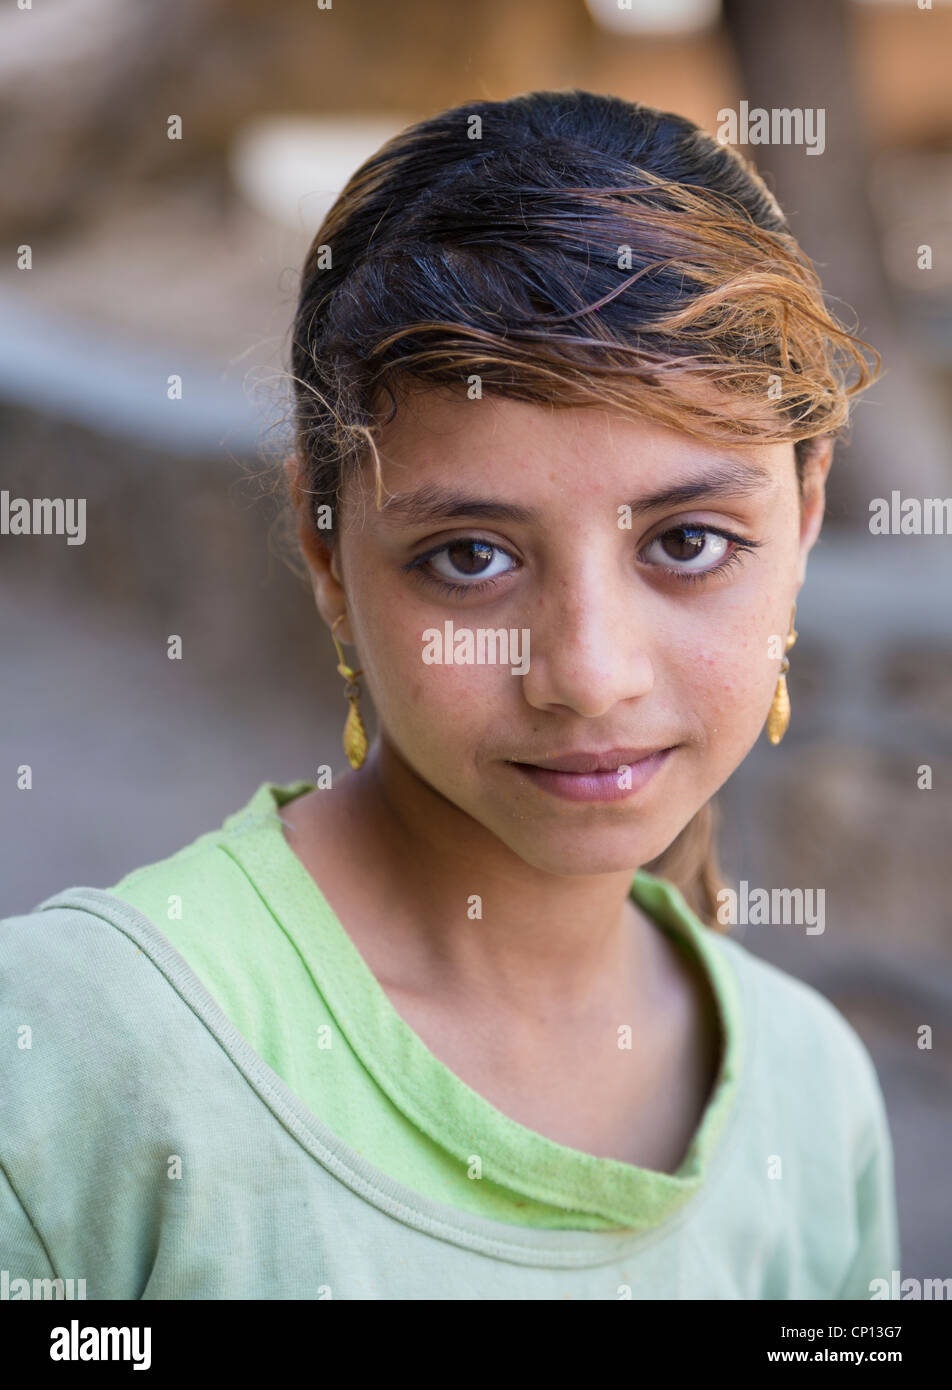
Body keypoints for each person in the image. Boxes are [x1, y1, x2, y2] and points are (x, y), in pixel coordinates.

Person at [1, 89, 899, 1299]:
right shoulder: (76, 1051)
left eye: (686, 542)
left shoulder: (814, 1094)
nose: (587, 675)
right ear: (327, 556)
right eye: (471, 556)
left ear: (803, 516)